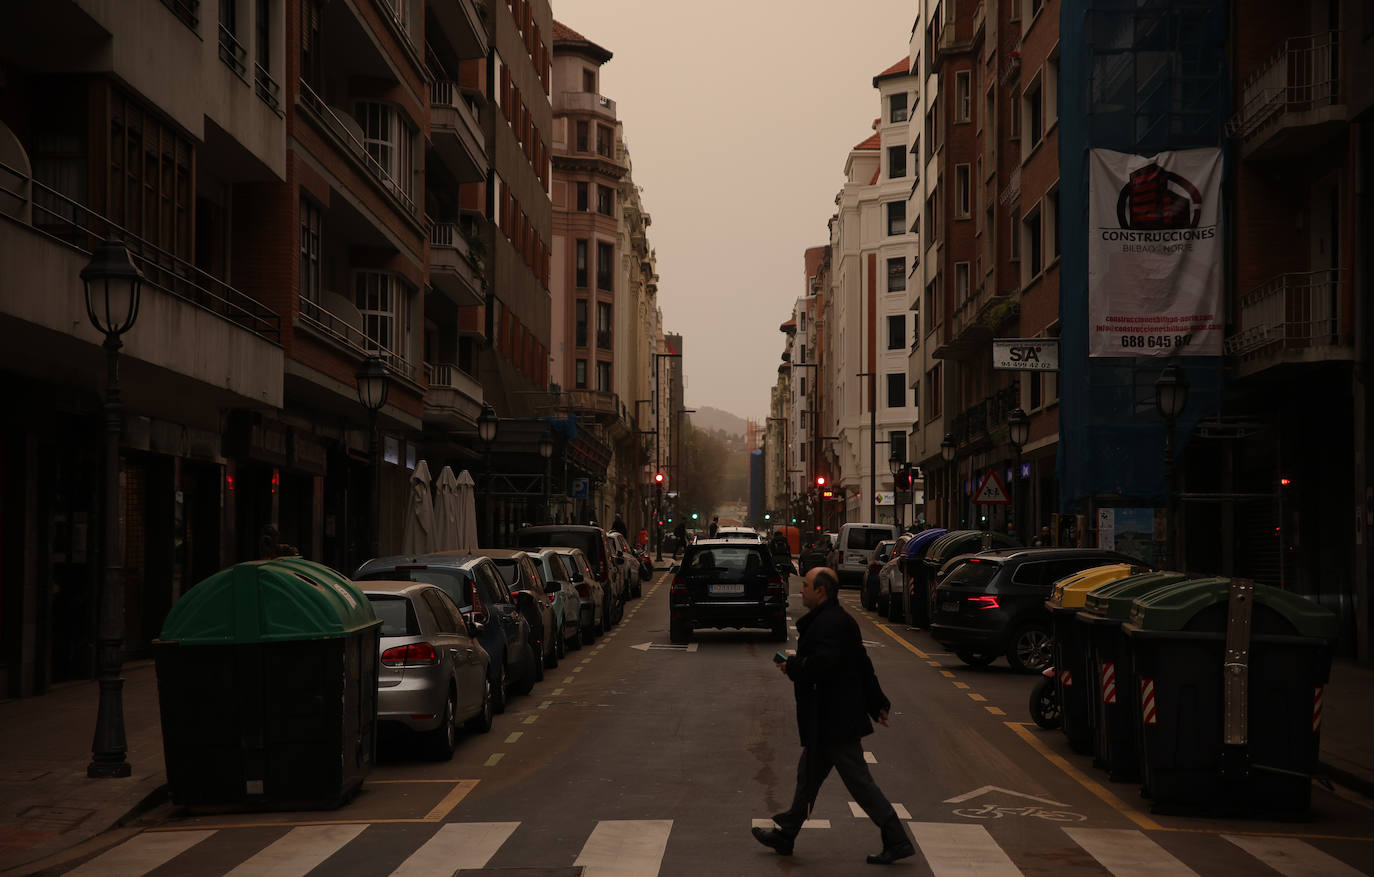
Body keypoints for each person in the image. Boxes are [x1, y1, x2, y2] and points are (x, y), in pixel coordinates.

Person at [752, 568, 915, 866]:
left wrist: (795, 667)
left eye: (805, 585)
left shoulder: (830, 624)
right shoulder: (836, 621)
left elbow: (823, 665)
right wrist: (877, 701)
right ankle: (786, 834)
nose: (800, 590)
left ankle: (897, 838)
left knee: (859, 783)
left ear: (821, 591)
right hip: (828, 717)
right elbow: (862, 664)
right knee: (807, 777)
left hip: (834, 718)